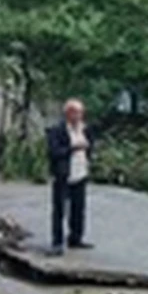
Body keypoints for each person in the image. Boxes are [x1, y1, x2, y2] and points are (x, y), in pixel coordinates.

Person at [46, 99, 95, 256]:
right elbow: (54, 152)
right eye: (76, 112)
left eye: (81, 112)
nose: (80, 116)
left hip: (80, 173)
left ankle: (75, 238)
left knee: (78, 209)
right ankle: (57, 242)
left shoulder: (85, 129)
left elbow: (90, 146)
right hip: (64, 175)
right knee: (59, 209)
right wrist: (72, 149)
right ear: (68, 113)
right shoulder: (57, 130)